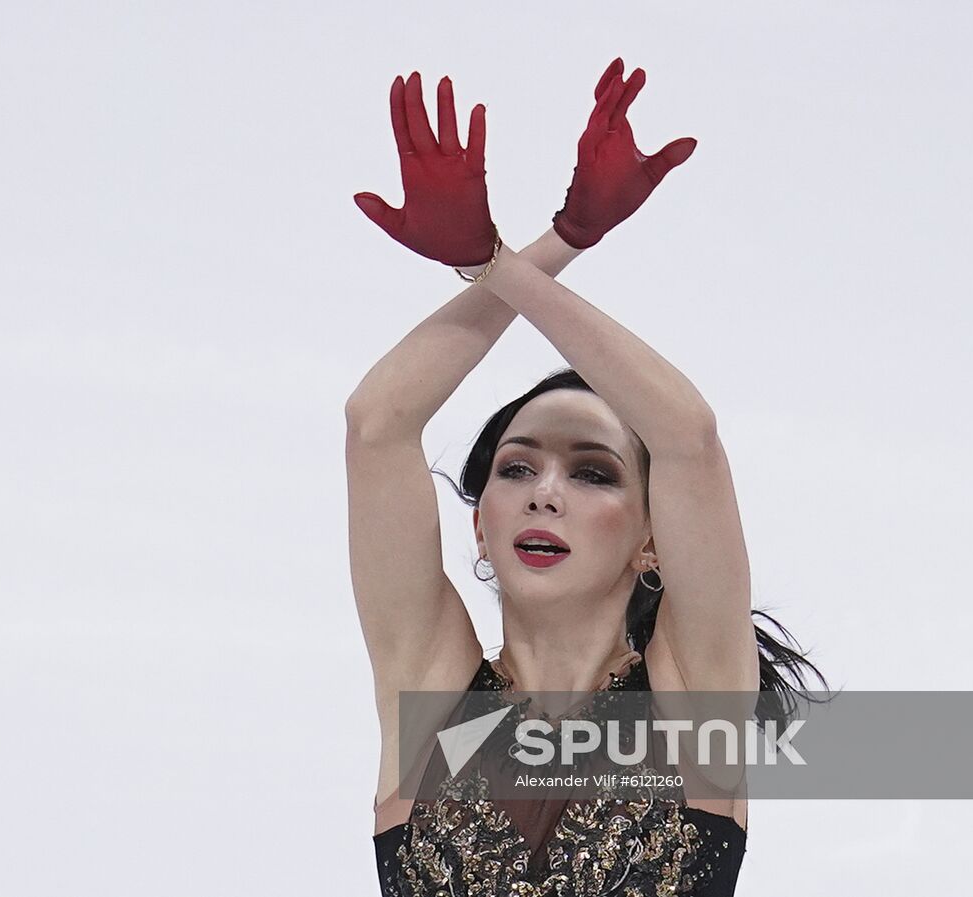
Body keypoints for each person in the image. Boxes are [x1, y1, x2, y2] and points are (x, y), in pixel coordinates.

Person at [345, 61, 830, 896]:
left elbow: (688, 438)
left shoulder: (691, 697)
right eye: (518, 465)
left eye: (594, 472)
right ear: (479, 525)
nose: (545, 490)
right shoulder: (430, 697)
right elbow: (376, 425)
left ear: (652, 537)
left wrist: (505, 264)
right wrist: (524, 251)